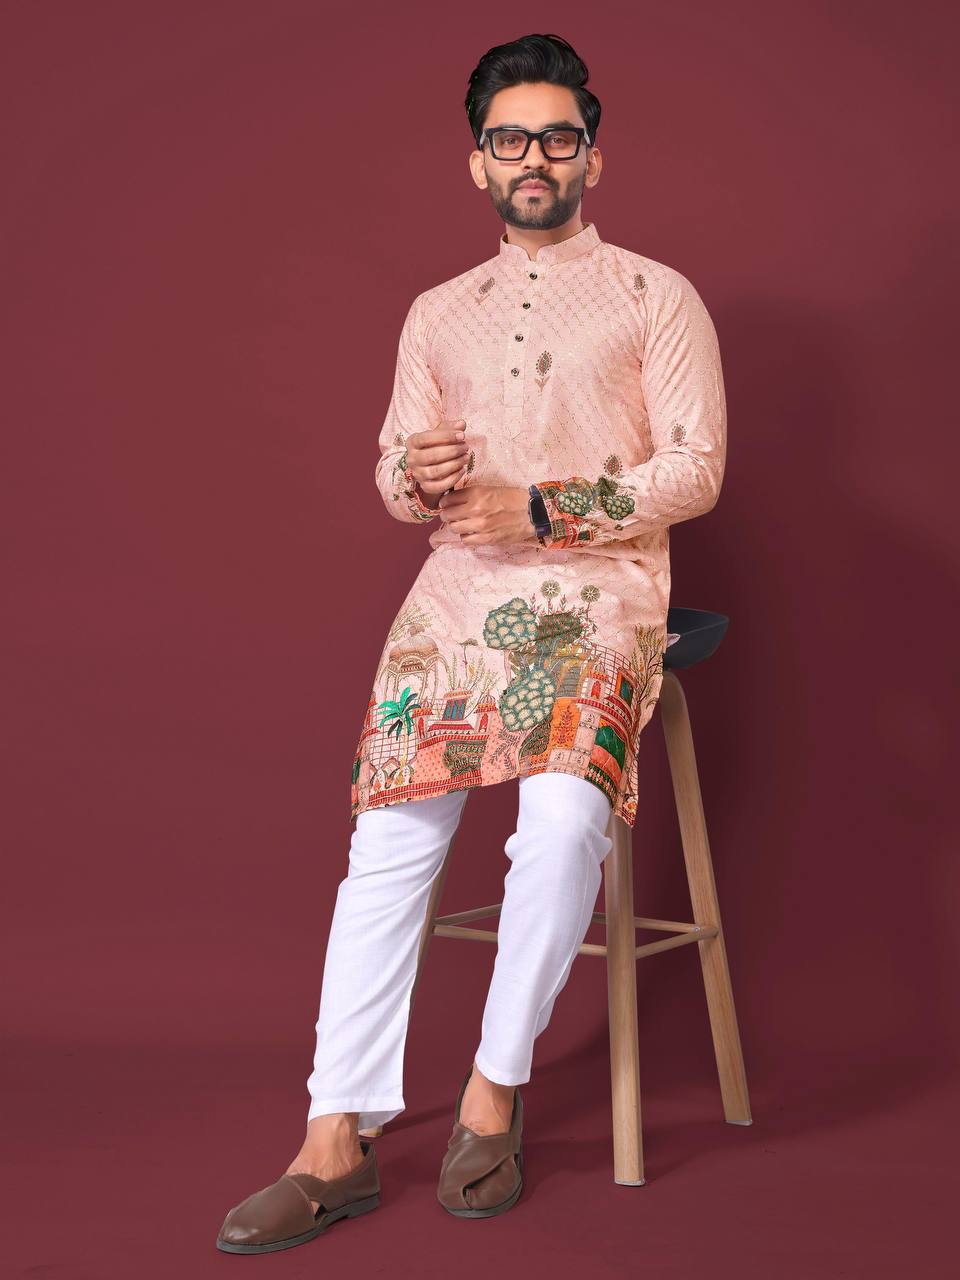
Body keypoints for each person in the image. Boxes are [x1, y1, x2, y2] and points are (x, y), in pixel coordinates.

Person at [217, 30, 726, 1253]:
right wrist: (416, 471)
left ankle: (493, 1094)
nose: (535, 156)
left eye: (558, 136)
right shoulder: (436, 313)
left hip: (601, 586)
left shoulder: (659, 295)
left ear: (593, 158)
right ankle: (333, 1132)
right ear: (477, 163)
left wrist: (546, 507)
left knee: (559, 821)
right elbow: (396, 474)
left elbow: (698, 469)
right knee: (388, 836)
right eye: (511, 138)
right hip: (458, 596)